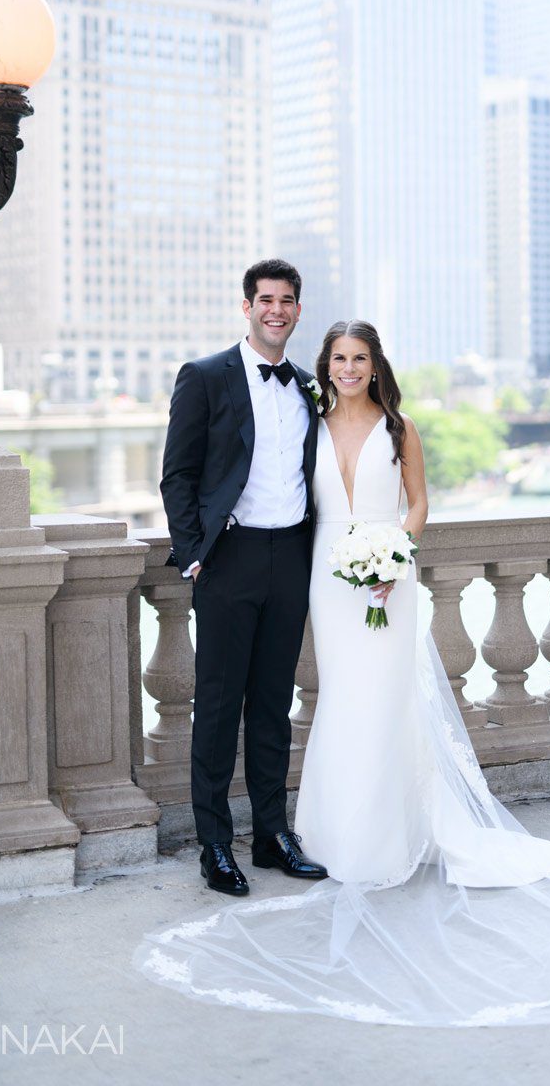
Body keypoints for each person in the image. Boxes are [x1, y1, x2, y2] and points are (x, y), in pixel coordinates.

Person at [139, 321, 550, 1028]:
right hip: (318, 578)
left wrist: (391, 560)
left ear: (376, 366)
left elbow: (417, 504)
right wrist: (204, 543)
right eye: (339, 358)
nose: (348, 368)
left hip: (384, 584)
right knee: (341, 698)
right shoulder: (308, 416)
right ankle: (316, 832)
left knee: (386, 699)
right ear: (327, 366)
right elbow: (253, 477)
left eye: (360, 359)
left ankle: (388, 834)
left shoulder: (398, 427)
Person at [159, 259, 327, 896]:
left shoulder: (310, 386)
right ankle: (213, 846)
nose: (275, 310)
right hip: (229, 560)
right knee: (219, 707)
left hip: (292, 557)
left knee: (272, 708)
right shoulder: (205, 377)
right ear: (247, 306)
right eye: (265, 300)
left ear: (297, 310)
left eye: (286, 300)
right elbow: (178, 474)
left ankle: (270, 837)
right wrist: (191, 550)